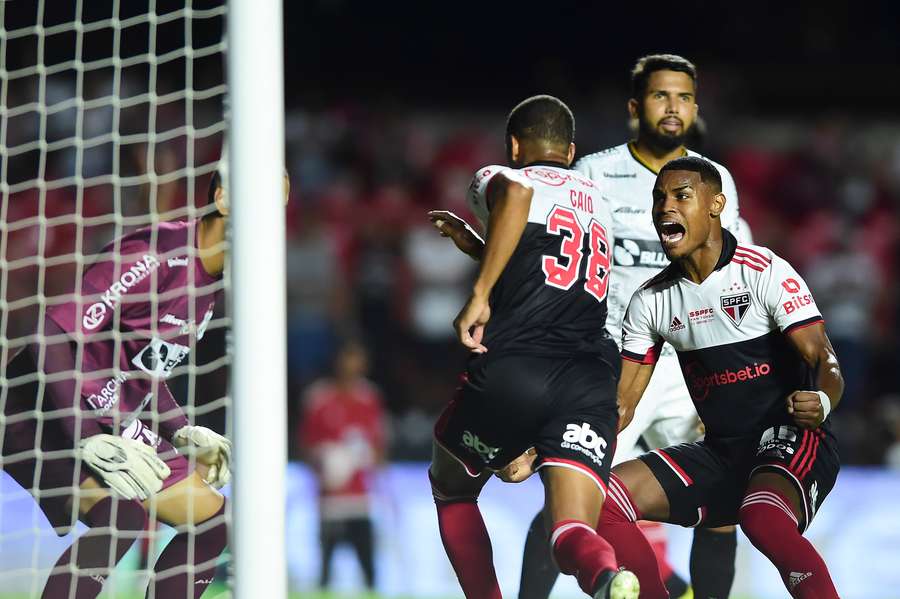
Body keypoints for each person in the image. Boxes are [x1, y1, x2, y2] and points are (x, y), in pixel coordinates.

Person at [432, 54, 745, 599]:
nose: (672, 107)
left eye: (683, 97)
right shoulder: (596, 178)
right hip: (615, 359)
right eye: (659, 95)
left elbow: (528, 214)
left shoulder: (714, 181)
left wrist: (480, 287)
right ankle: (616, 581)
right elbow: (549, 257)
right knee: (580, 504)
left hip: (680, 360)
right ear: (634, 107)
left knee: (722, 505)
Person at [502, 156, 843, 599]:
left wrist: (823, 400)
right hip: (723, 452)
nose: (666, 207)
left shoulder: (765, 272)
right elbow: (620, 405)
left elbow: (825, 360)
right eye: (659, 198)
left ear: (716, 205)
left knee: (762, 517)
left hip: (791, 439)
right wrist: (542, 449)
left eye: (682, 196)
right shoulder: (651, 301)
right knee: (602, 501)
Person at [2, 169, 290, 598]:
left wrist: (182, 429)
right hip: (40, 410)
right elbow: (49, 336)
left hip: (110, 416)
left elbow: (144, 372)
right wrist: (85, 438)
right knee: (120, 519)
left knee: (213, 524)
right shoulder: (157, 253)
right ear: (224, 198)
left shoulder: (209, 287)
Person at [429, 94, 641, 599]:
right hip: (591, 377)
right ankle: (607, 578)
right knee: (570, 531)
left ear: (515, 145)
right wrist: (477, 250)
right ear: (569, 152)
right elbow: (548, 270)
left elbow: (520, 198)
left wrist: (479, 293)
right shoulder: (598, 200)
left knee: (452, 487)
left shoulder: (501, 177)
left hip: (519, 365)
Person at [299, 341, 386, 591]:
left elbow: (379, 446)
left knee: (369, 570)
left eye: (357, 360)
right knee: (326, 570)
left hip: (361, 500)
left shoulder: (370, 397)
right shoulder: (319, 397)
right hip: (330, 501)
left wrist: (364, 459)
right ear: (338, 362)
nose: (353, 366)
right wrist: (325, 463)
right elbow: (305, 444)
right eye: (348, 359)